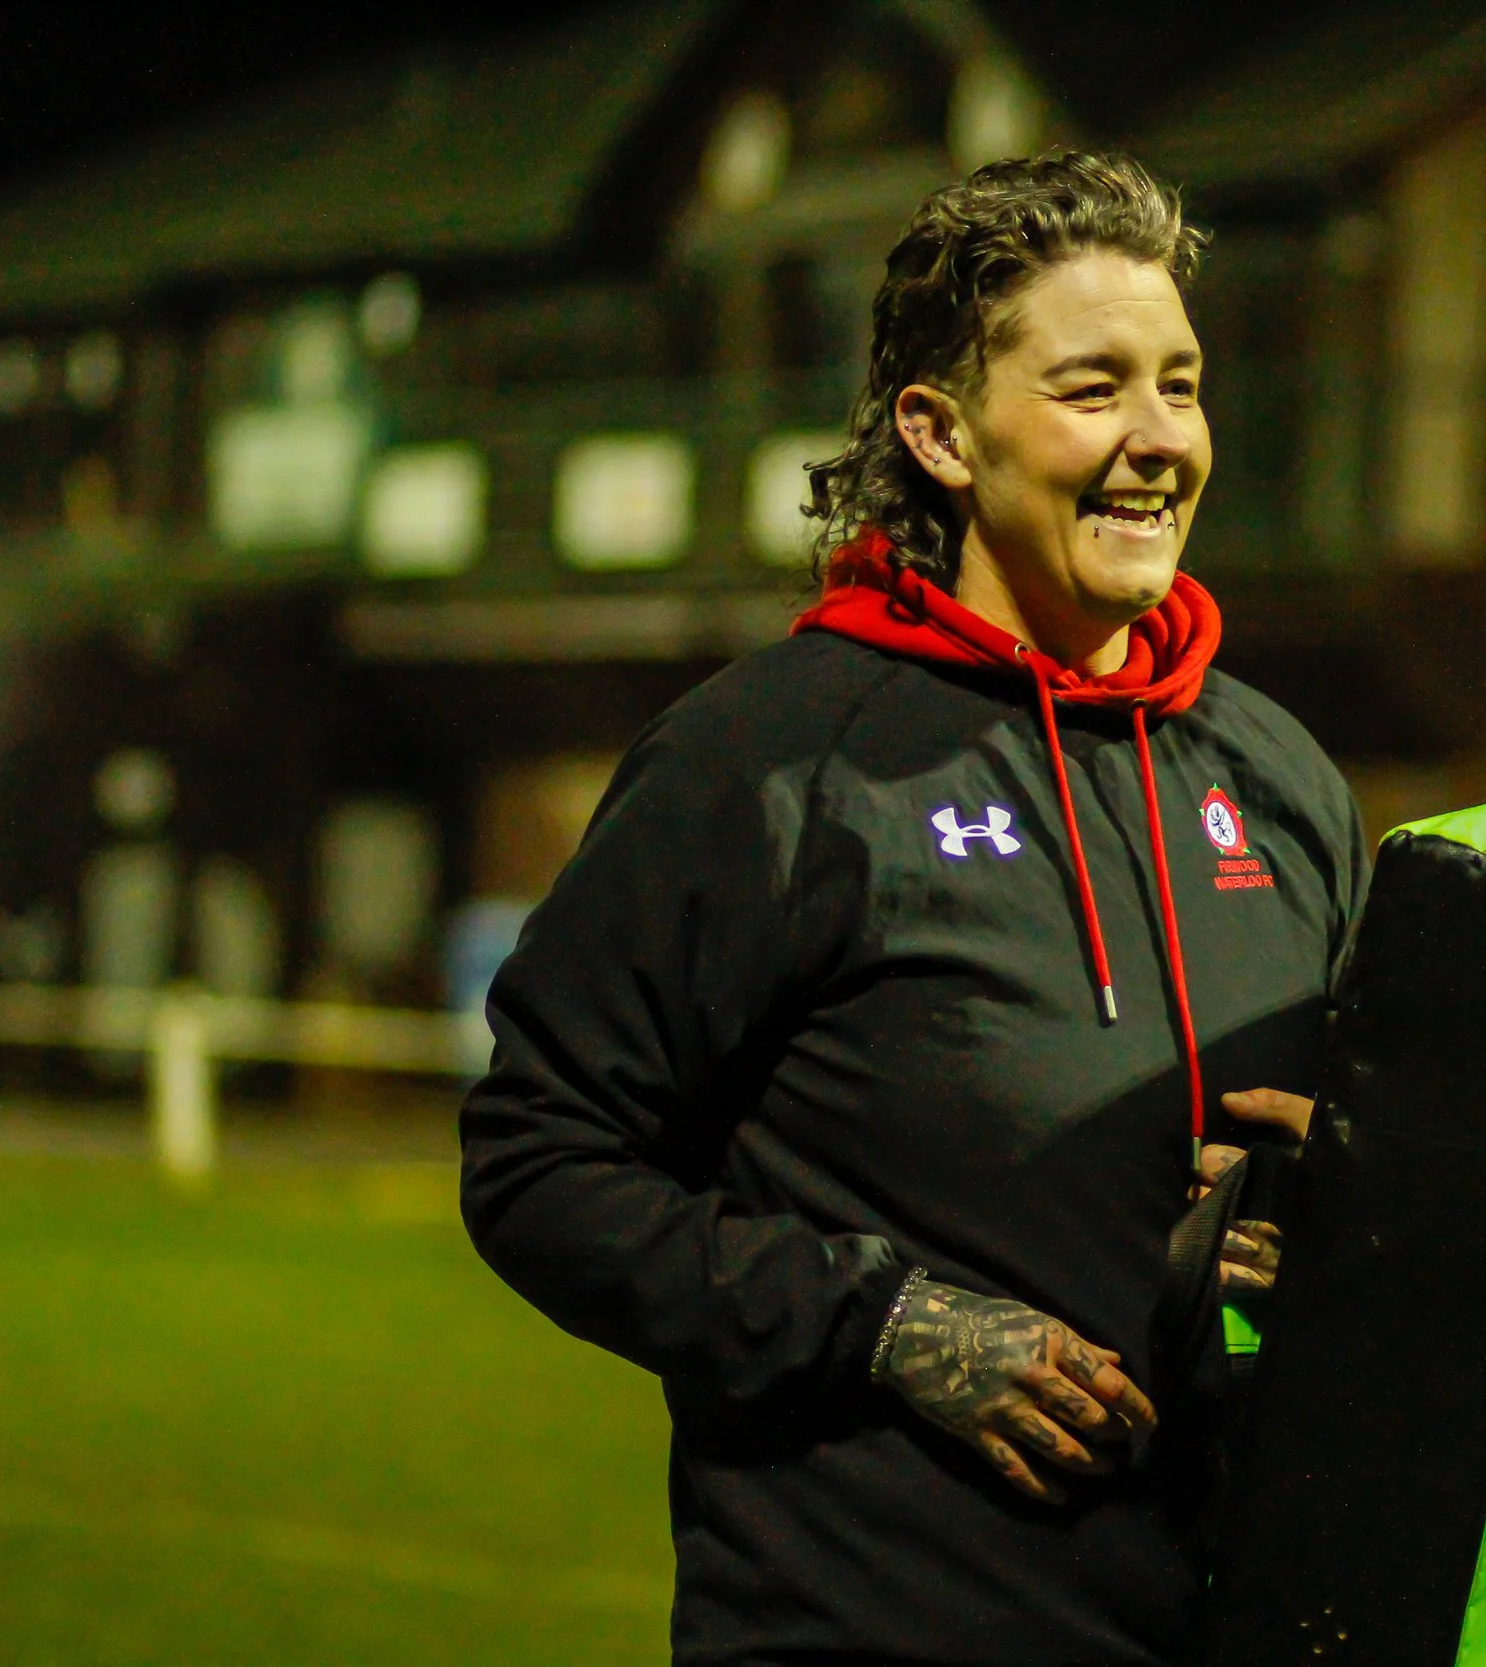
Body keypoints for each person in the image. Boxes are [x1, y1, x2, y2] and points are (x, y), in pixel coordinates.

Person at [459, 151, 1365, 1667]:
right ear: (941, 436)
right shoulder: (770, 763)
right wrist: (881, 1326)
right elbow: (539, 1160)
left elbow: (1342, 1174)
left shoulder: (1276, 773)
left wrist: (1325, 1214)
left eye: (1183, 384)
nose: (1158, 440)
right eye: (1093, 389)